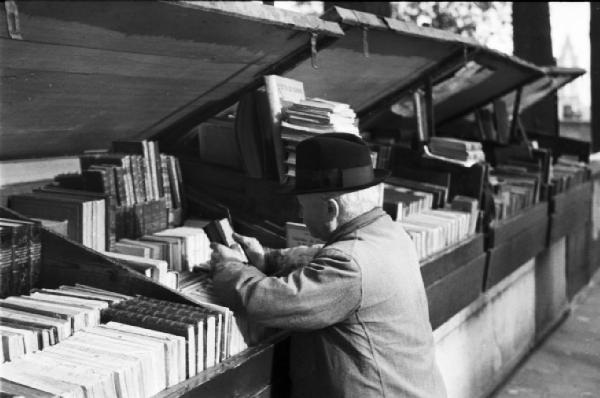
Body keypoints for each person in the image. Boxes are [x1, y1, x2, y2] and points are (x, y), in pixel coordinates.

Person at [210, 133, 447, 398]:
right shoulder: (389, 232)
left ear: (331, 210)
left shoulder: (350, 264)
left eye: (302, 207)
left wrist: (229, 267)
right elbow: (320, 255)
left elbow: (264, 301)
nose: (300, 215)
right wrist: (268, 258)